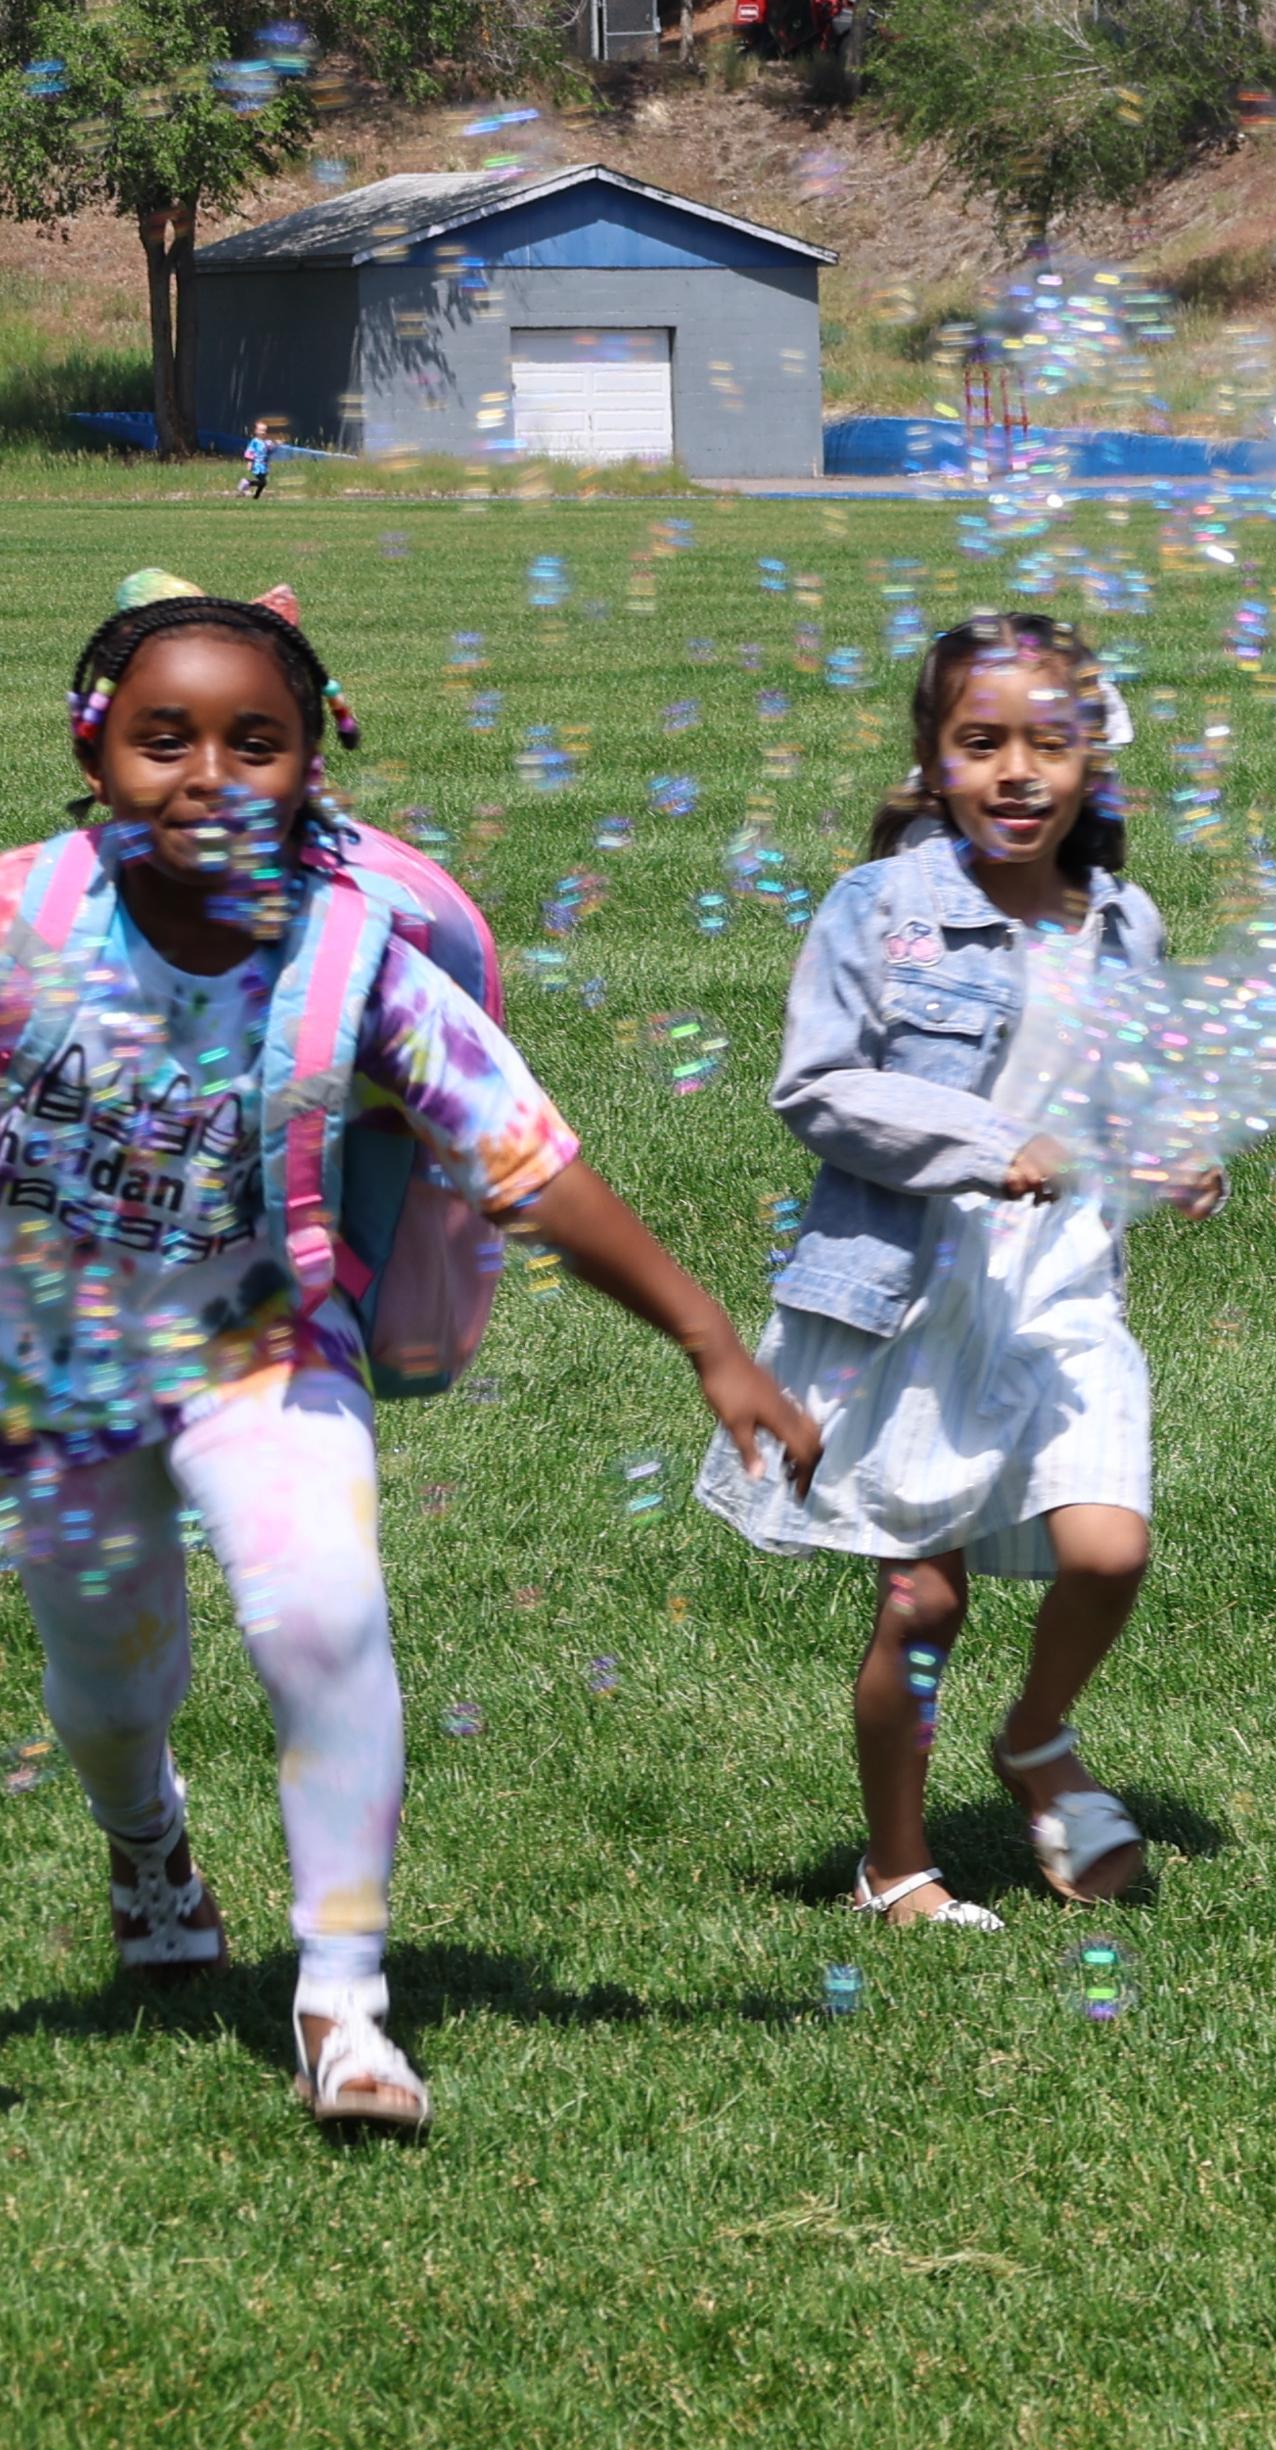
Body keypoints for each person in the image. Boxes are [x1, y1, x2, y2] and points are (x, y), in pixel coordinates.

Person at [16, 590, 813, 2134]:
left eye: (258, 742)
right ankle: (146, 1840)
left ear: (317, 766)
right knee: (108, 1682)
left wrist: (714, 1342)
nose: (207, 775)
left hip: (264, 1339)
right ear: (93, 751)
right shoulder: (23, 923)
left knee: (323, 1613)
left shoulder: (352, 959)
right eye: (161, 738)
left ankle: (344, 2001)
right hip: (60, 1358)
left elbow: (531, 1166)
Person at [702, 612, 1209, 1925]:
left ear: (1098, 761)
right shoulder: (884, 910)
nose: (1018, 772)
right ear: (932, 765)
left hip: (1061, 1289)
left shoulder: (1122, 923)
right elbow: (815, 1086)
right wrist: (988, 1143)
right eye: (981, 744)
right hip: (912, 1289)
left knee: (1109, 1548)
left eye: (1052, 742)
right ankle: (896, 1866)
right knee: (923, 1601)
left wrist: (1172, 1156)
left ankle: (1037, 1733)